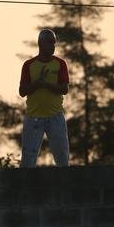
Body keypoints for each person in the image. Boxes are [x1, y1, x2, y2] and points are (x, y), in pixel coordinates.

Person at [19, 29, 70, 167]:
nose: (53, 46)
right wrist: (36, 84)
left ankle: (65, 185)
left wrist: (47, 85)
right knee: (28, 157)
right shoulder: (29, 65)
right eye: (50, 43)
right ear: (40, 44)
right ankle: (25, 186)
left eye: (54, 43)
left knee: (62, 156)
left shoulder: (60, 64)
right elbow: (22, 91)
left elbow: (65, 89)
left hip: (55, 116)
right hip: (33, 117)